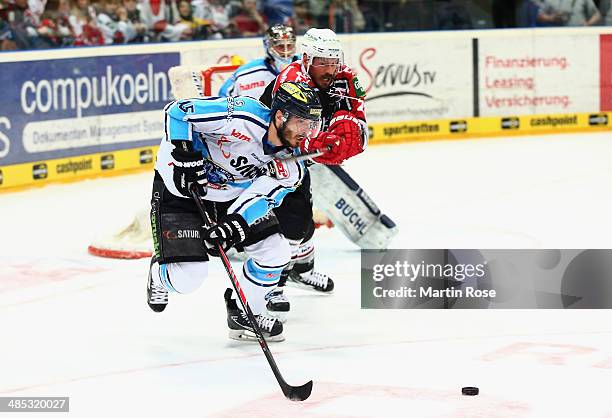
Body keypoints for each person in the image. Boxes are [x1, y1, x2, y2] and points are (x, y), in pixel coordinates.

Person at [146, 82, 323, 342]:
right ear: (279, 116)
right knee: (187, 279)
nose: (307, 132)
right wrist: (185, 154)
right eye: (301, 122)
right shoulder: (242, 115)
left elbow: (262, 198)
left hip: (231, 196)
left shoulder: (293, 165)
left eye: (312, 125)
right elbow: (178, 111)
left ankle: (244, 313)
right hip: (179, 188)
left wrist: (235, 224)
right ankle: (157, 274)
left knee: (276, 252)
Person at [259, 28, 368, 320]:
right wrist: (317, 145)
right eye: (323, 62)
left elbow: (360, 124)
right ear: (307, 59)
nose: (330, 69)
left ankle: (301, 270)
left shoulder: (345, 77)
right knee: (290, 225)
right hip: (268, 153)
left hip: (298, 153)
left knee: (304, 223)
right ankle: (272, 284)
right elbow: (280, 137)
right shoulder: (292, 81)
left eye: (334, 62)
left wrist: (351, 135)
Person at [219, 24, 296, 99]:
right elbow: (223, 100)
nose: (286, 51)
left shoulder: (305, 67)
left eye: (289, 45)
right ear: (268, 46)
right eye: (280, 46)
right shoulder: (245, 73)